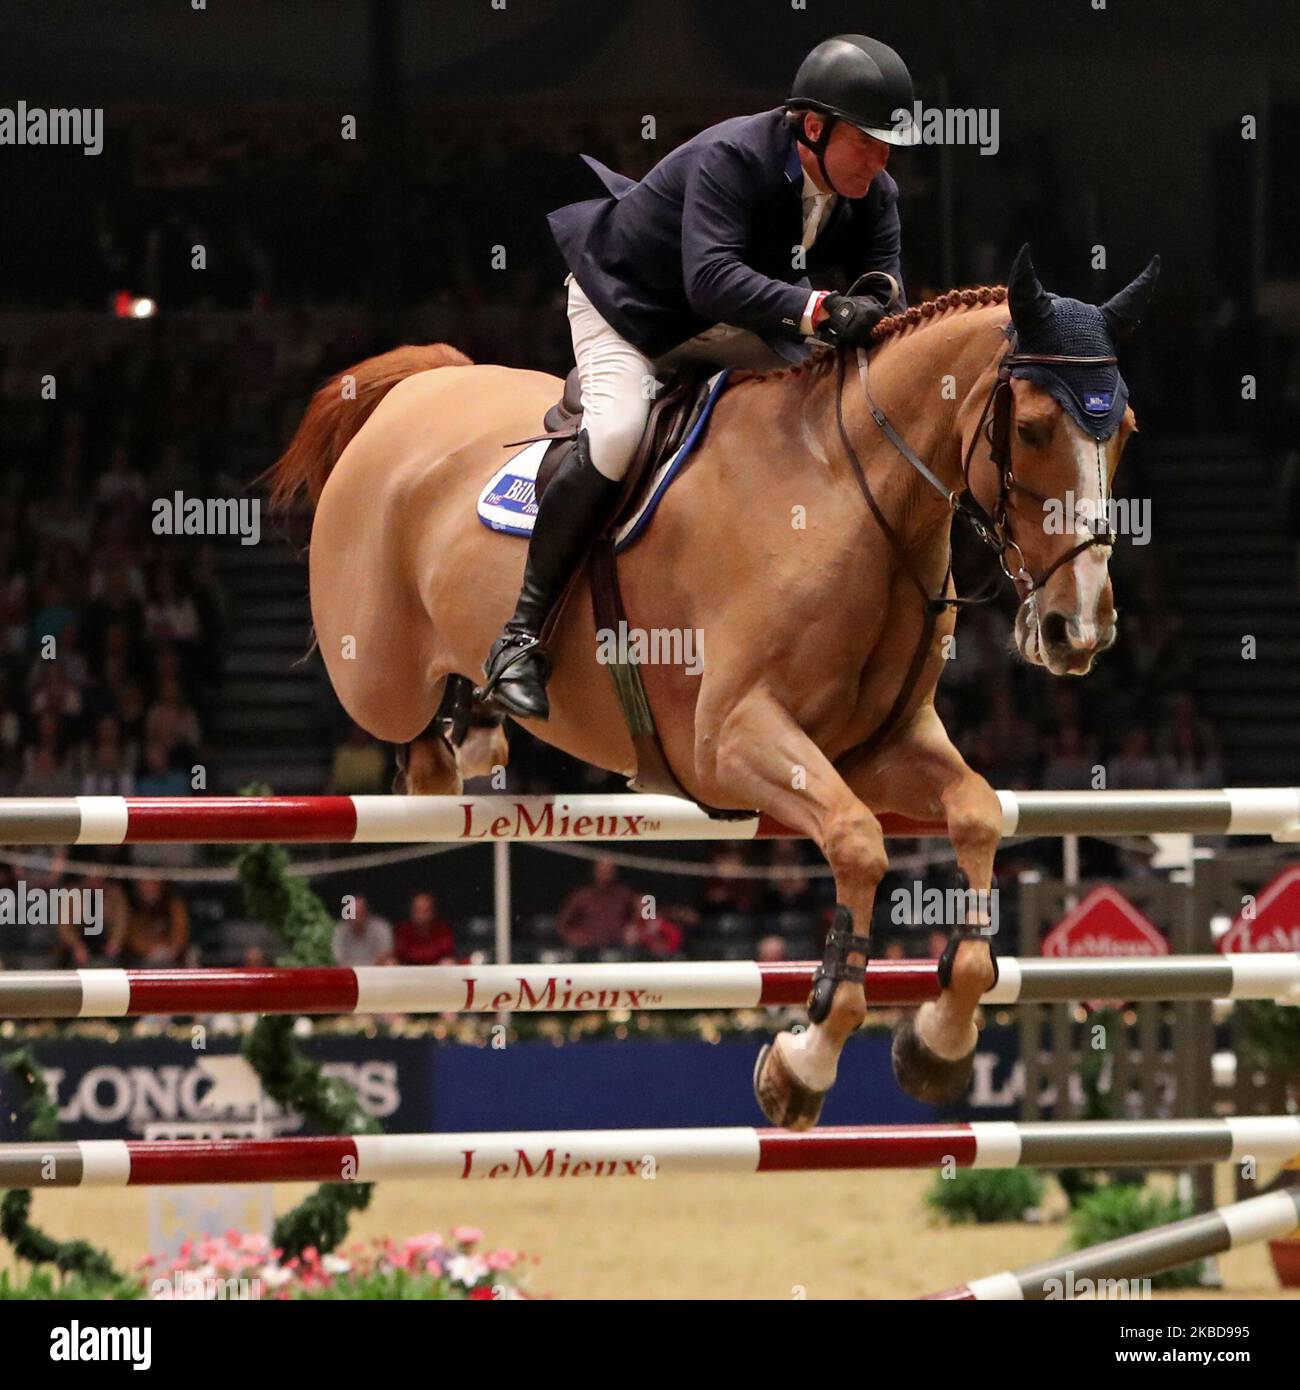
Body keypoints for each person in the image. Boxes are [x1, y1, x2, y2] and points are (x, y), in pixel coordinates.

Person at [481, 34, 917, 719]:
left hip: (726, 325)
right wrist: (822, 308)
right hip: (628, 310)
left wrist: (874, 304)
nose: (883, 157)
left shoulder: (871, 190)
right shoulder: (732, 158)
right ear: (813, 127)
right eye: (869, 140)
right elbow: (710, 277)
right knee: (620, 432)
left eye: (889, 143)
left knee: (825, 406)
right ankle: (519, 637)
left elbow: (889, 284)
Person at [393, 891, 455, 965]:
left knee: (448, 962)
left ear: (433, 911)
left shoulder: (443, 929)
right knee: (390, 963)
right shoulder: (402, 930)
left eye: (425, 910)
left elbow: (447, 953)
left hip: (436, 970)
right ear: (411, 911)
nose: (421, 915)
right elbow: (400, 954)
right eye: (417, 910)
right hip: (407, 969)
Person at [331, 895, 394, 967]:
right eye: (352, 913)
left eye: (359, 912)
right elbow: (339, 959)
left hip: (376, 970)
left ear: (367, 912)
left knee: (390, 963)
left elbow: (386, 954)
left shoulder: (381, 927)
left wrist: (369, 970)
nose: (356, 917)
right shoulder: (340, 930)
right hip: (351, 971)